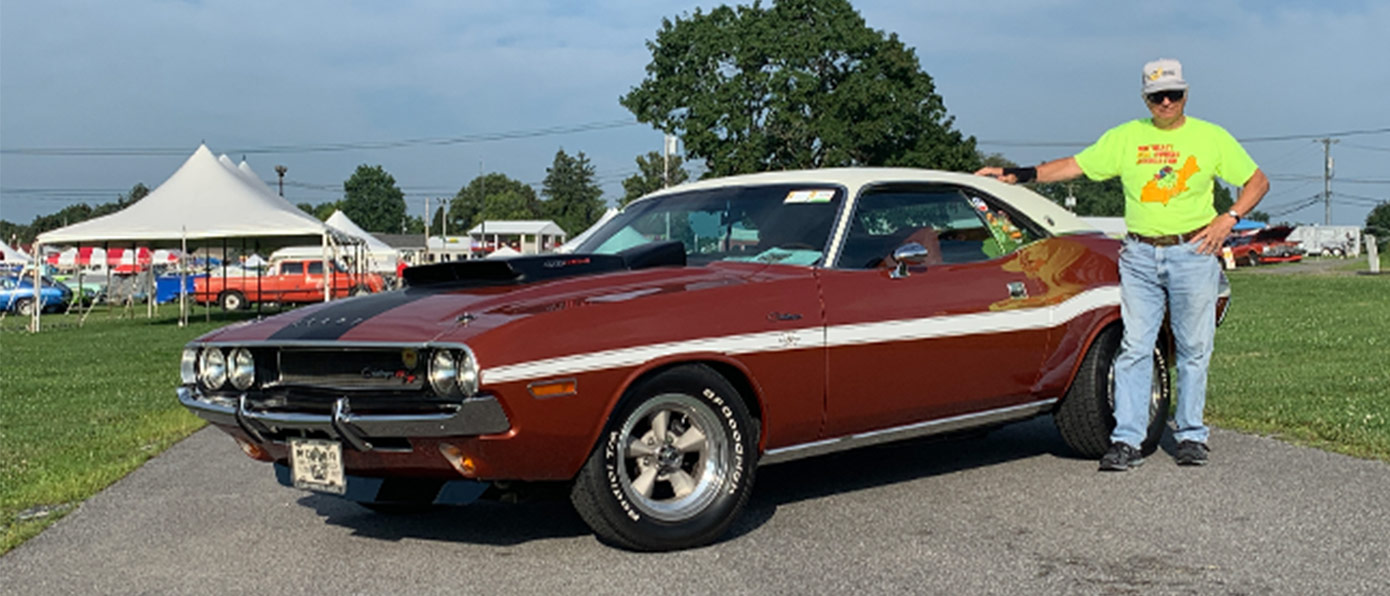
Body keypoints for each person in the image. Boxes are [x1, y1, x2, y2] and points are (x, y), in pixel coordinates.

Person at [976, 58, 1270, 471]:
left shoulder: (1211, 137)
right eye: (1156, 96)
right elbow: (1075, 165)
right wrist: (1017, 174)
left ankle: (1190, 436)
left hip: (1193, 252)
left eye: (1173, 94)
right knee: (1134, 346)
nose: (1166, 102)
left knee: (1193, 348)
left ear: (1186, 94)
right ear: (1145, 98)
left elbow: (1257, 180)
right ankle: (1128, 440)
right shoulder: (1126, 138)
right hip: (1139, 255)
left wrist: (1230, 218)